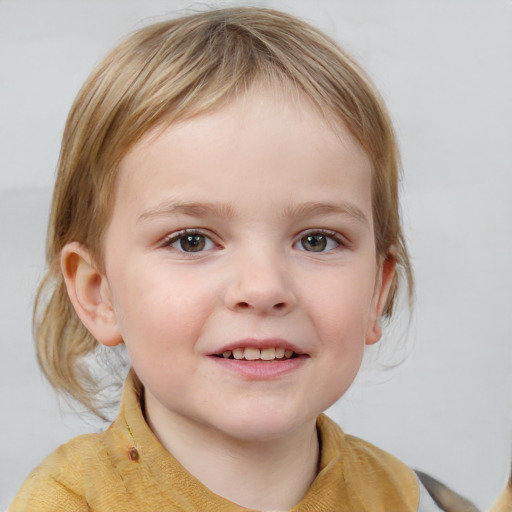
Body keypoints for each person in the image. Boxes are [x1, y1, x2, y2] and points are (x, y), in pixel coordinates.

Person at [10, 6, 448, 511]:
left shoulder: (401, 496)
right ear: (98, 293)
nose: (263, 289)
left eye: (317, 240)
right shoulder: (67, 503)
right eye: (191, 241)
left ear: (377, 290)